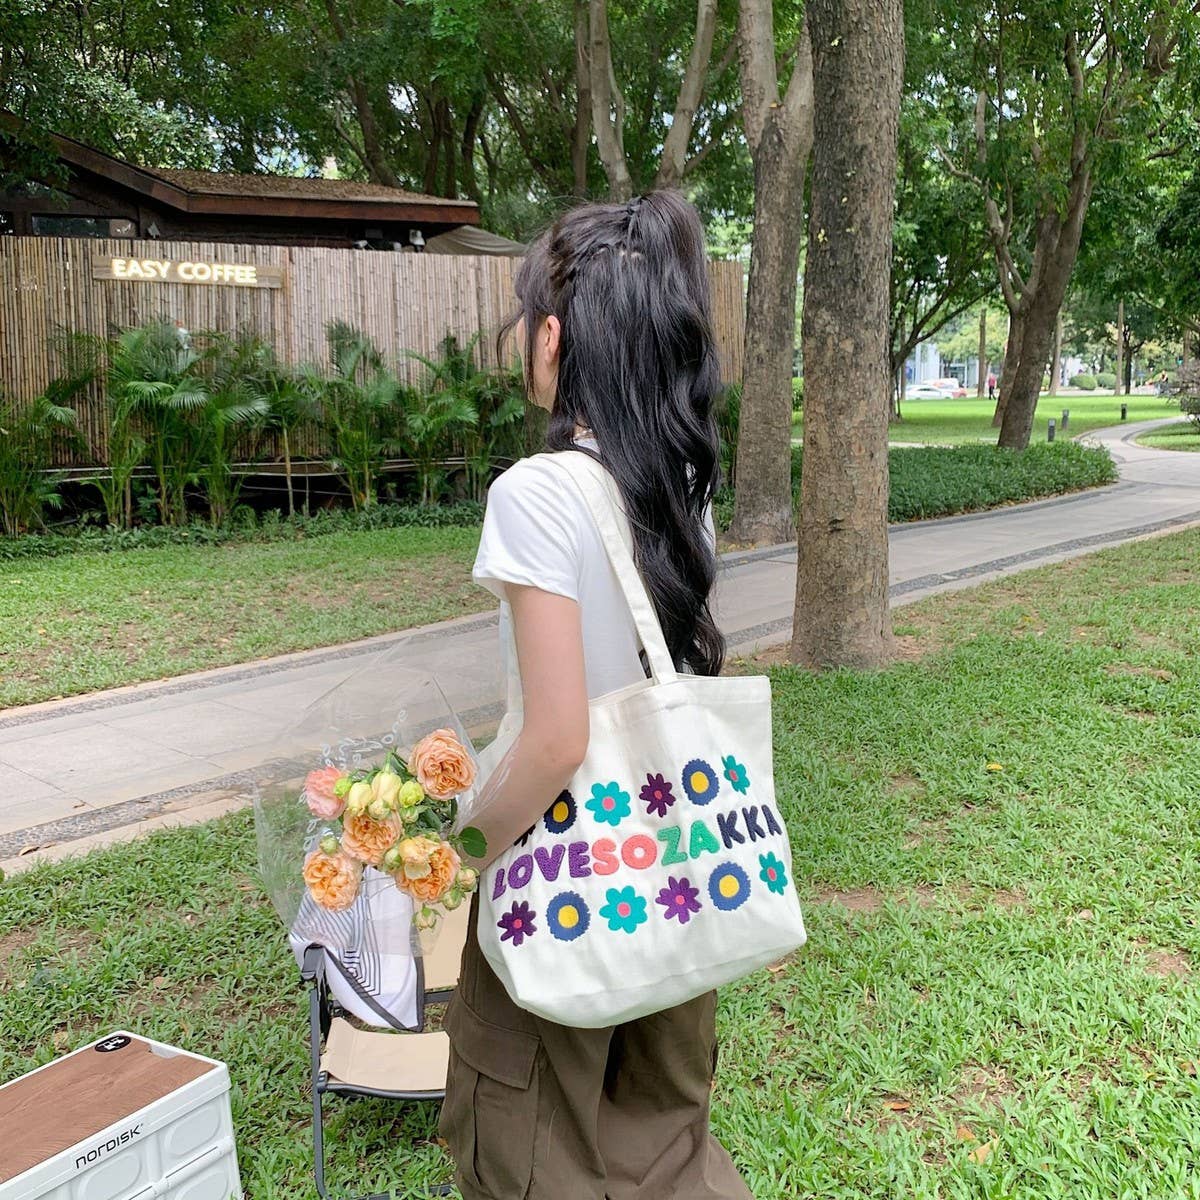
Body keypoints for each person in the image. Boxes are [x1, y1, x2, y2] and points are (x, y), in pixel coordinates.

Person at [438, 191, 752, 1200]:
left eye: (522, 315)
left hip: (558, 883)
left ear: (557, 335)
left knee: (529, 1153)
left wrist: (455, 858)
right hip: (673, 870)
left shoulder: (534, 492)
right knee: (663, 1146)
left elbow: (557, 738)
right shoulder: (672, 483)